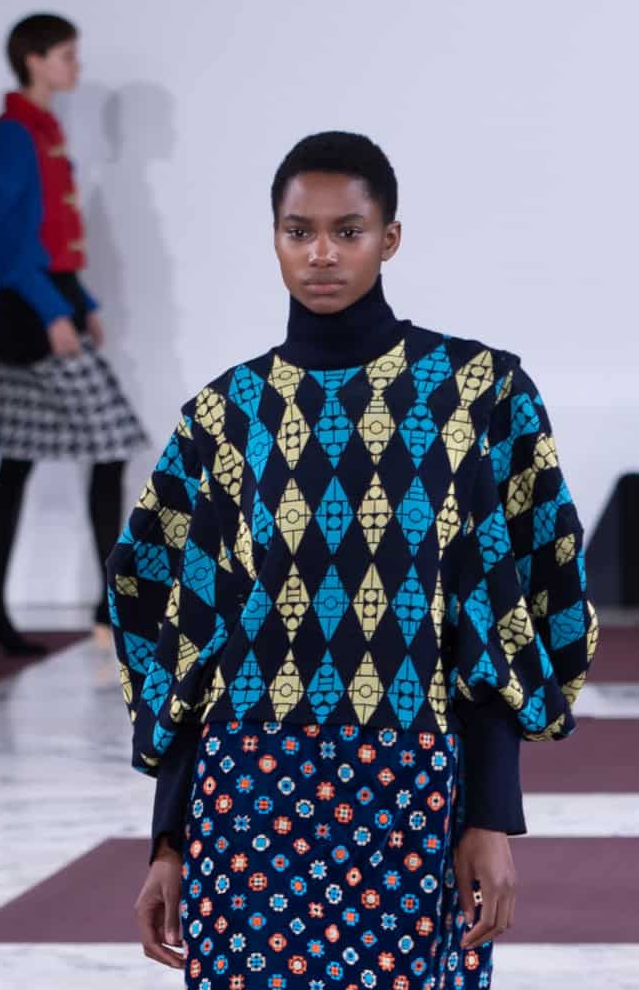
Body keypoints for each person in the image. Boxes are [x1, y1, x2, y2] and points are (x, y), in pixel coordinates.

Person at [107, 132, 598, 988]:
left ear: (390, 238)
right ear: (274, 238)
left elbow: (508, 610)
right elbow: (183, 632)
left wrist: (492, 814)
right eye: (299, 231)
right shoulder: (226, 416)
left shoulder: (476, 396)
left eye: (349, 231)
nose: (322, 253)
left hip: (414, 787)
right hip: (246, 794)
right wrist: (168, 839)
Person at [0, 14, 148, 658]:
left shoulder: (44, 130)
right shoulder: (13, 134)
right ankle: (97, 605)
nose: (77, 66)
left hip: (54, 303)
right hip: (29, 316)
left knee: (41, 457)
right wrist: (52, 310)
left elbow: (48, 238)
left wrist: (83, 302)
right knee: (97, 445)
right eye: (68, 55)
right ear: (35, 60)